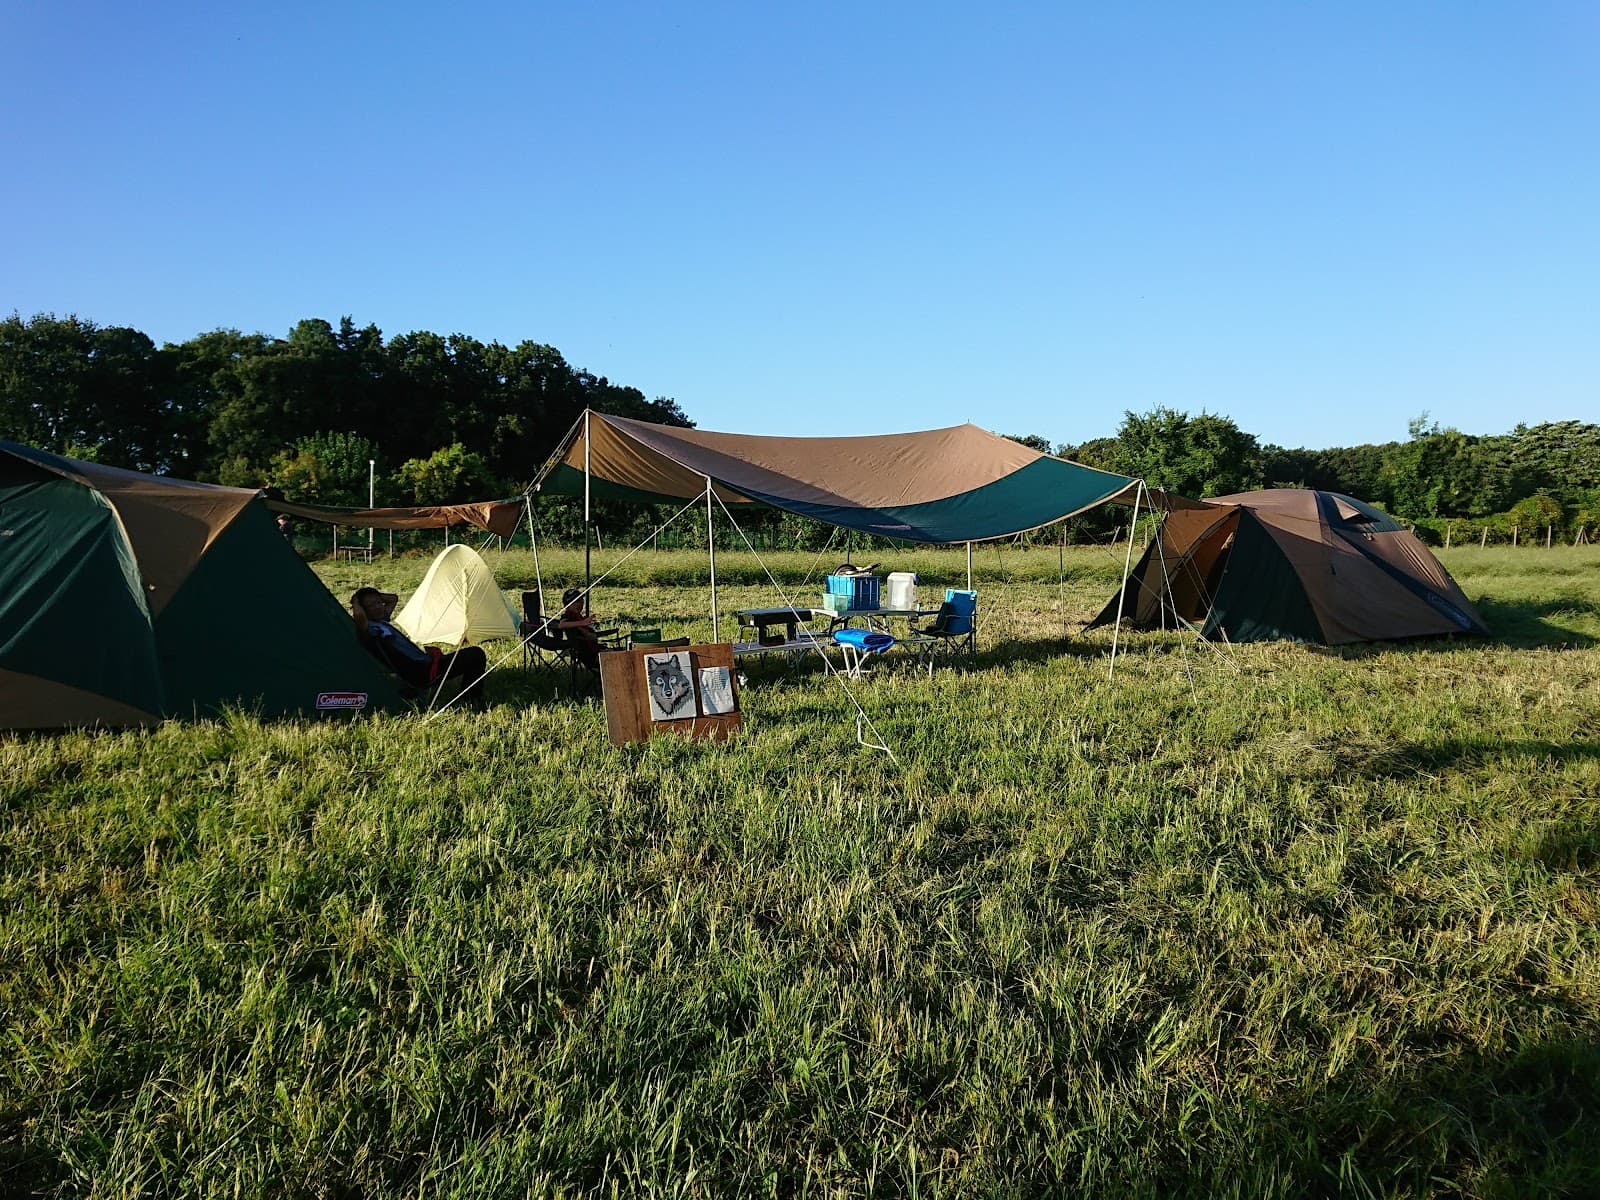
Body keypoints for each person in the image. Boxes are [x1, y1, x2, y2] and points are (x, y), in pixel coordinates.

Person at [351, 586, 489, 707]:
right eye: (371, 605)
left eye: (379, 603)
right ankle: (471, 699)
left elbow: (393, 598)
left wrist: (373, 597)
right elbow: (358, 617)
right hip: (421, 672)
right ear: (363, 610)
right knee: (475, 654)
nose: (378, 607)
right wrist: (356, 600)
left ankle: (470, 695)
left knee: (468, 655)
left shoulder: (381, 620)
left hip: (425, 663)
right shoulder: (369, 630)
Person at [557, 587, 604, 670]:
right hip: (589, 655)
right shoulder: (569, 615)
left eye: (581, 600)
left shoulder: (578, 616)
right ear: (568, 604)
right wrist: (583, 623)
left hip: (594, 650)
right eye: (576, 601)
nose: (580, 603)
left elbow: (588, 635)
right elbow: (562, 625)